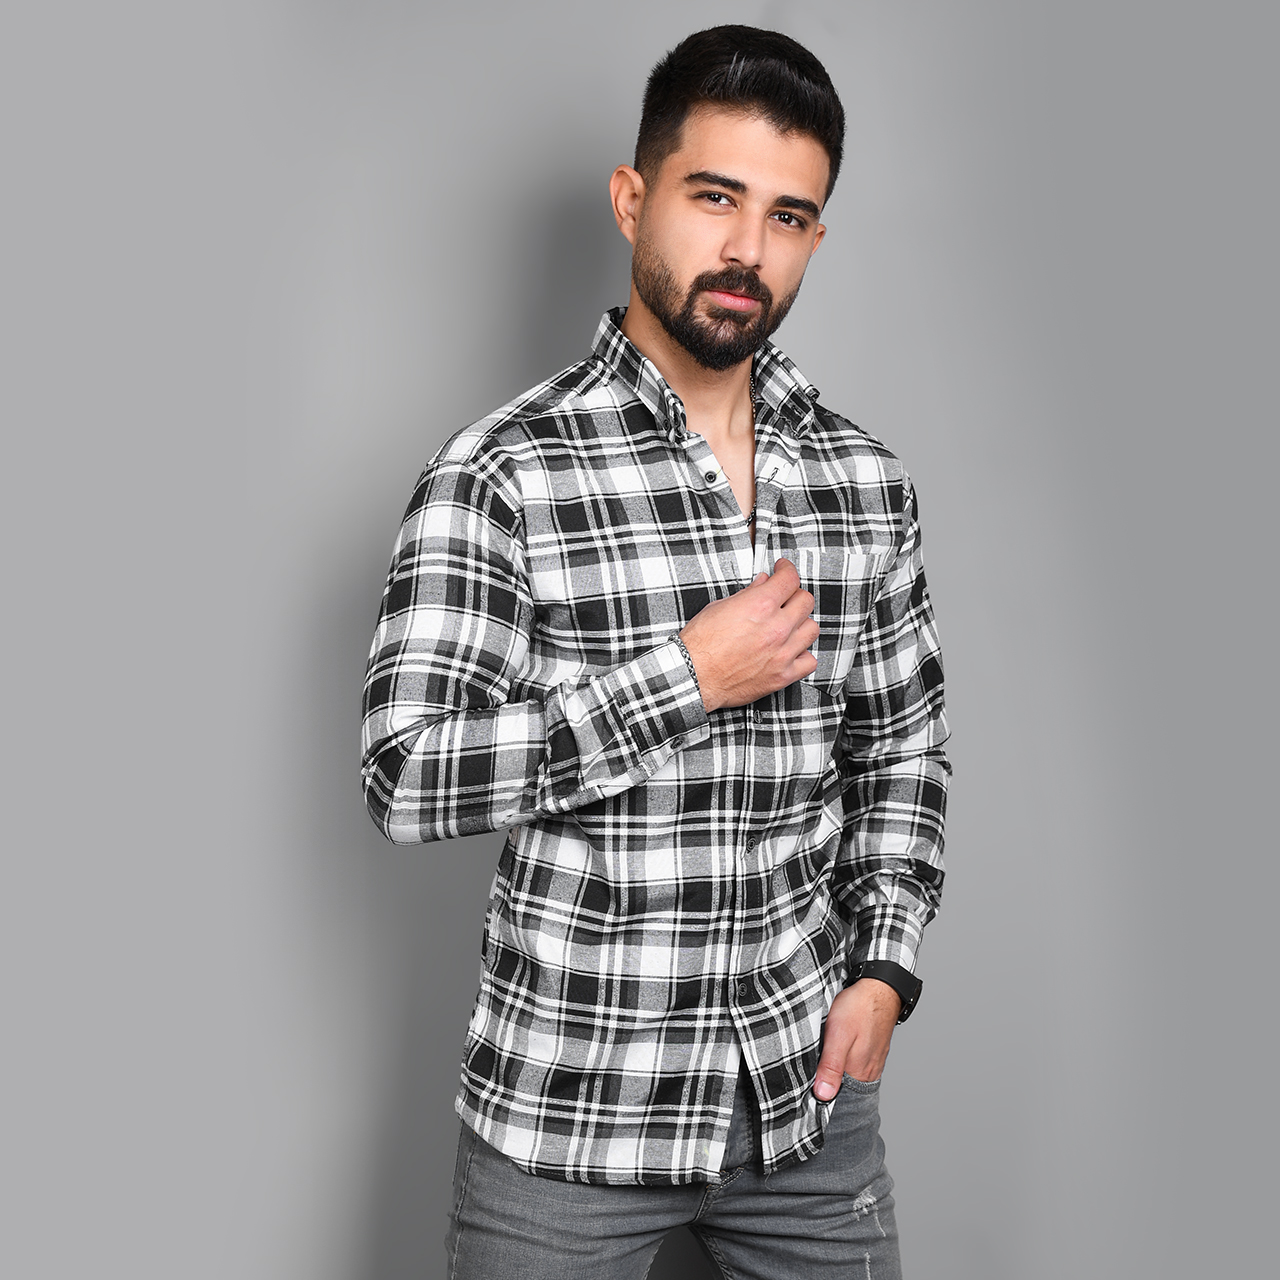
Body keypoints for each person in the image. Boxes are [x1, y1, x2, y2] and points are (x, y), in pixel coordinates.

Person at [361, 24, 949, 1280]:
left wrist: (883, 968)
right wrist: (683, 680)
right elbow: (404, 772)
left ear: (816, 238)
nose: (746, 250)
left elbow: (901, 747)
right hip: (567, 1120)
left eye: (787, 216)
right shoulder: (501, 472)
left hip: (804, 1107)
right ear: (634, 200)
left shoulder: (863, 481)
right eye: (713, 197)